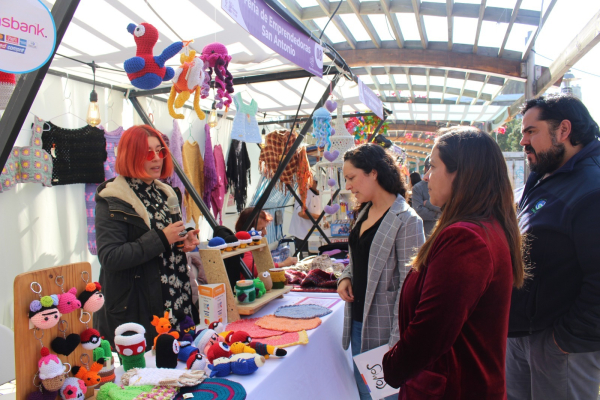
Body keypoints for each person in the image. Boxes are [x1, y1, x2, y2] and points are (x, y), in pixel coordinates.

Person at [383, 127, 526, 400]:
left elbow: (431, 332)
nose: (426, 176)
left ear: (460, 173)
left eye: (433, 167)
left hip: (451, 387)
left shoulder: (465, 238)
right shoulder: (483, 227)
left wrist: (391, 366)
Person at [506, 94, 600, 400]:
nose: (522, 141)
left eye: (531, 131)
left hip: (562, 346)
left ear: (563, 130)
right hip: (523, 337)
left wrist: (564, 340)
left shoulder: (592, 187)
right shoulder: (544, 178)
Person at [94, 125, 200, 349]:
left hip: (175, 303)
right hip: (138, 309)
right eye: (147, 153)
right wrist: (162, 238)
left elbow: (169, 237)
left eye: (159, 151)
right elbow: (110, 256)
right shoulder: (113, 198)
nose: (156, 158)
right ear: (130, 155)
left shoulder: (165, 192)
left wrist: (183, 239)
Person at [337, 143, 424, 400]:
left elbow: (408, 287)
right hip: (357, 321)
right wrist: (345, 277)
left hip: (386, 328)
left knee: (384, 395)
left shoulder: (407, 220)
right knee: (364, 392)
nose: (349, 186)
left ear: (373, 173)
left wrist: (397, 340)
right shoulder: (363, 212)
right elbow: (358, 259)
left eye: (352, 178)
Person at [235, 207, 297, 277]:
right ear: (248, 229)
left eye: (265, 228)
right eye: (261, 229)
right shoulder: (242, 245)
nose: (265, 232)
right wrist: (283, 264)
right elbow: (251, 269)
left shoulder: (253, 244)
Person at [288, 179, 322, 256]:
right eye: (317, 183)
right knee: (305, 256)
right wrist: (319, 217)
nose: (319, 186)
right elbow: (301, 213)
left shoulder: (320, 195)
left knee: (315, 255)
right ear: (312, 183)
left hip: (313, 232)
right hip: (302, 232)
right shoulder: (304, 194)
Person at [411, 156, 441, 237]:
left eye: (433, 167)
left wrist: (427, 204)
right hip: (424, 234)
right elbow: (418, 211)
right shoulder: (418, 188)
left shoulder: (444, 187)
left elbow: (446, 208)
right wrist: (439, 214)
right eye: (429, 167)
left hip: (440, 232)